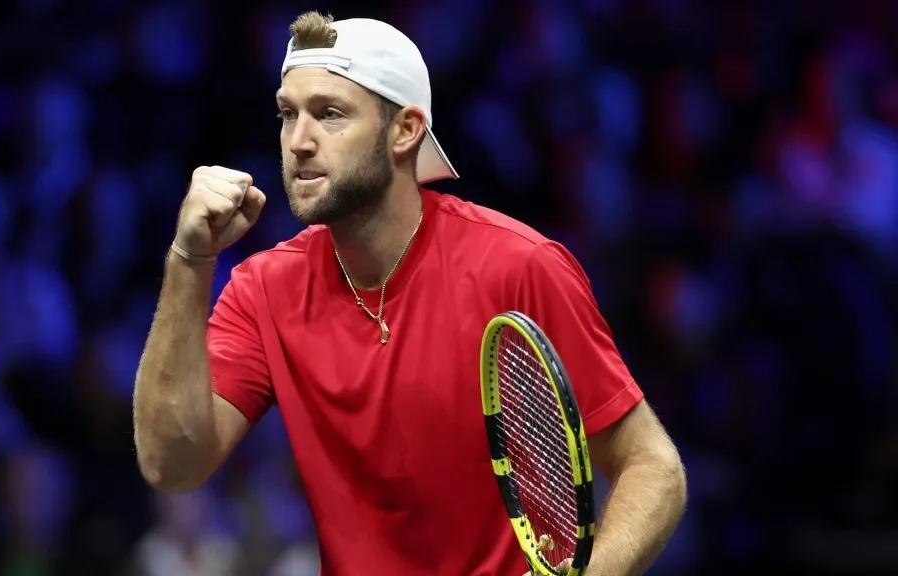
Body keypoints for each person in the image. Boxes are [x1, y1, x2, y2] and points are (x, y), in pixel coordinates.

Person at [133, 11, 687, 576]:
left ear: (405, 130)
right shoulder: (263, 290)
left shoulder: (519, 268)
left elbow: (653, 466)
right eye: (287, 114)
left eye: (329, 115)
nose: (298, 141)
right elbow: (172, 464)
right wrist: (189, 261)